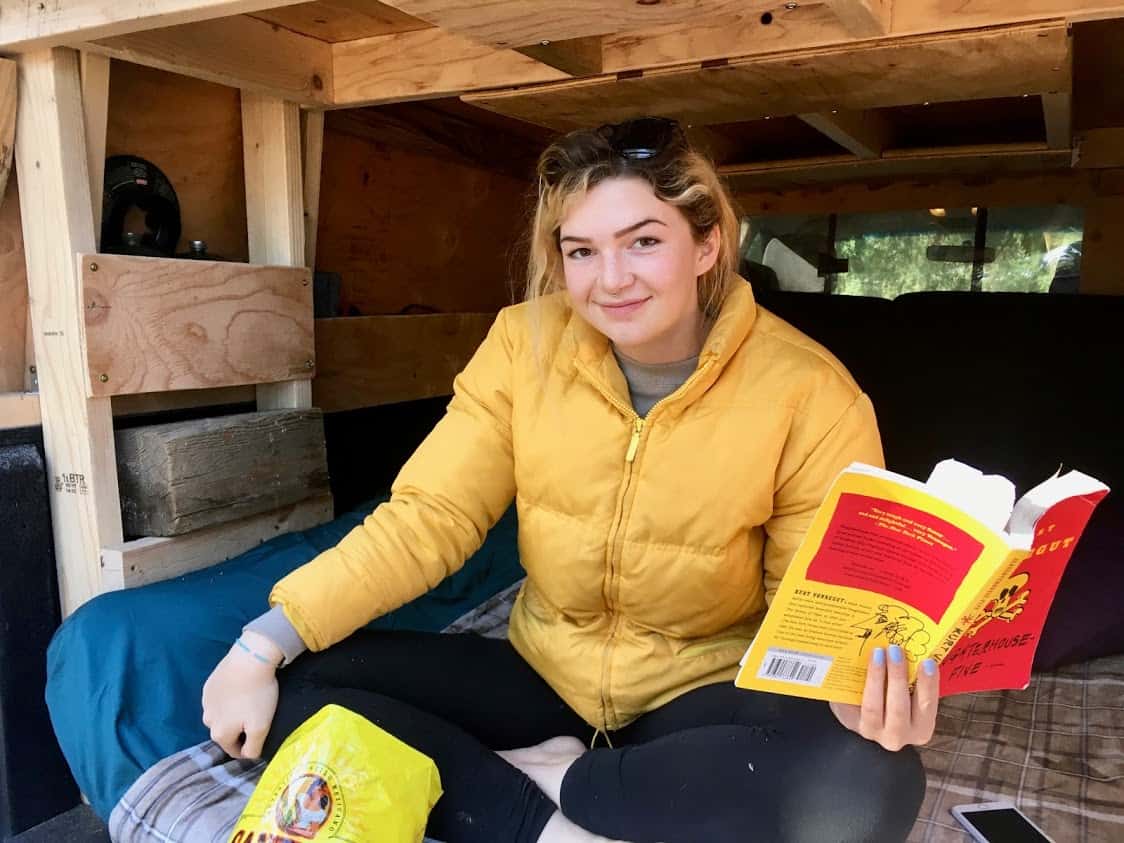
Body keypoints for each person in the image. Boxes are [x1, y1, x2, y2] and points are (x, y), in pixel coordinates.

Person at [202, 117, 933, 843]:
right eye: (582, 250)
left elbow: (816, 606)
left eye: (644, 241)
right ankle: (551, 827)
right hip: (543, 672)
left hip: (699, 690)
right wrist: (261, 643)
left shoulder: (810, 389)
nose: (610, 280)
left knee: (870, 782)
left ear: (708, 244)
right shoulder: (524, 345)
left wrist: (855, 691)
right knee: (300, 688)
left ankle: (561, 779)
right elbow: (430, 516)